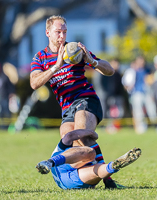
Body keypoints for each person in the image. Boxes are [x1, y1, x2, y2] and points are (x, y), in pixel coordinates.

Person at [30, 15, 121, 188]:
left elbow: (109, 70)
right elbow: (34, 83)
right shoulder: (40, 57)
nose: (62, 36)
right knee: (70, 142)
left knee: (80, 136)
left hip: (85, 99)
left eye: (64, 32)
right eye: (58, 32)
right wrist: (56, 65)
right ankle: (101, 176)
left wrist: (92, 62)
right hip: (66, 108)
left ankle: (99, 173)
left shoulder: (75, 49)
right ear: (47, 32)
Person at [36, 129, 141, 190]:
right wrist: (91, 132)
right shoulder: (86, 149)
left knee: (97, 170)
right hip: (65, 171)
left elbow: (69, 136)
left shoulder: (63, 147)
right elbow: (70, 135)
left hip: (65, 182)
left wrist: (88, 133)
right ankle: (110, 168)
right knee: (93, 159)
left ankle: (112, 166)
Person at [122, 56, 156, 134]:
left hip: (147, 92)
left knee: (152, 110)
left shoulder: (147, 70)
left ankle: (154, 125)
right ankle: (141, 128)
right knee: (138, 111)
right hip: (136, 93)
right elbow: (125, 82)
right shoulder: (132, 71)